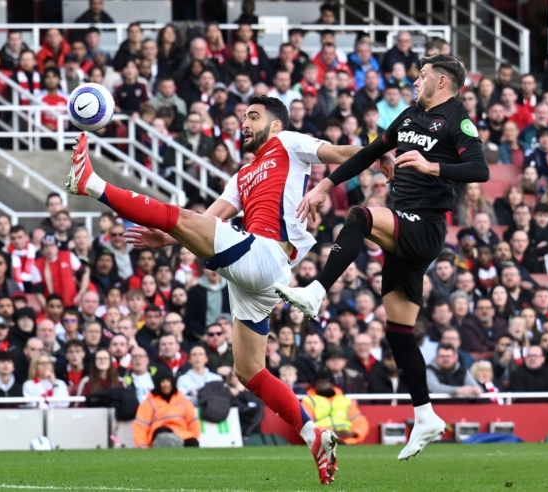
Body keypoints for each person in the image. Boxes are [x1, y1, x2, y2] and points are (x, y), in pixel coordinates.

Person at [67, 97, 365, 483]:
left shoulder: (289, 142)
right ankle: (313, 433)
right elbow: (207, 221)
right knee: (249, 371)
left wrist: (381, 155)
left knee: (182, 217)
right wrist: (171, 238)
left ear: (275, 126)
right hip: (255, 274)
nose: (245, 122)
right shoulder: (241, 176)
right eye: (243, 117)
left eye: (254, 116)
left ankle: (90, 183)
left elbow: (342, 152)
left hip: (268, 255)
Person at [276, 55, 488, 460]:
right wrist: (324, 187)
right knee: (398, 332)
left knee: (361, 216)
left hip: (425, 226)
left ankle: (317, 291)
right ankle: (425, 415)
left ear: (442, 82)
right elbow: (370, 152)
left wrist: (431, 166)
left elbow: (479, 169)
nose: (416, 81)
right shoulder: (409, 116)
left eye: (423, 76)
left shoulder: (458, 118)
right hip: (406, 229)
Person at [132, 366, 200, 448]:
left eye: (168, 380)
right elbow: (140, 427)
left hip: (182, 434)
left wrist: (194, 438)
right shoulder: (149, 402)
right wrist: (143, 447)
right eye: (162, 381)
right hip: (160, 433)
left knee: (193, 443)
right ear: (157, 384)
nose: (166, 384)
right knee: (163, 434)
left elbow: (193, 423)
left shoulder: (184, 401)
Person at [301, 368, 369, 445]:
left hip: (346, 440)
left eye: (324, 382)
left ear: (331, 383)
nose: (321, 385)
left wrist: (355, 433)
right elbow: (305, 425)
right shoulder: (309, 401)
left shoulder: (346, 400)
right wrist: (331, 433)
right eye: (318, 383)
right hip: (322, 441)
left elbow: (359, 420)